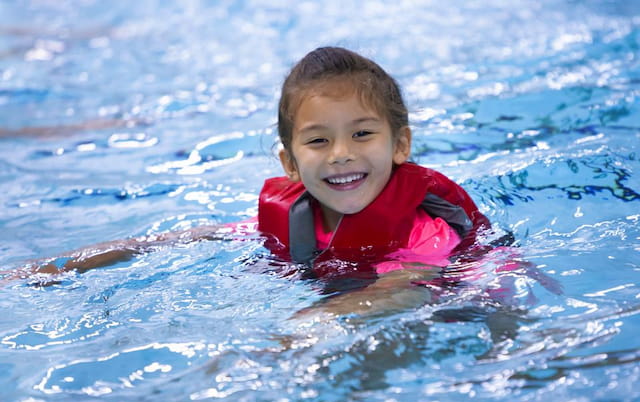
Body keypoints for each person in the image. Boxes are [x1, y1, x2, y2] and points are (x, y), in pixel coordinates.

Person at [3, 47, 496, 309]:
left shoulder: (424, 229)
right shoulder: (298, 216)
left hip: (457, 307)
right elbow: (186, 240)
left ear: (400, 146)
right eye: (319, 141)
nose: (342, 155)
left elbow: (409, 285)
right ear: (290, 164)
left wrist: (314, 324)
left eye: (362, 134)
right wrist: (67, 265)